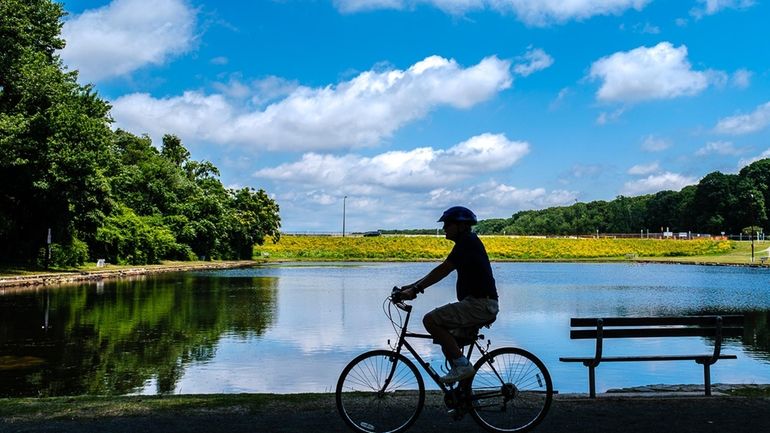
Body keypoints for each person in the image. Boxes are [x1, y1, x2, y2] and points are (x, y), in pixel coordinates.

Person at [399, 206, 499, 383]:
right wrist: (411, 286)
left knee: (430, 320)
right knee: (448, 339)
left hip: (480, 304)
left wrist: (415, 290)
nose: (444, 228)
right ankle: (463, 396)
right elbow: (441, 270)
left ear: (460, 226)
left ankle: (462, 365)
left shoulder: (467, 242)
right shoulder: (467, 242)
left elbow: (443, 269)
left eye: (447, 224)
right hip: (479, 303)